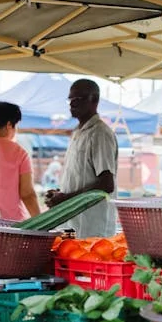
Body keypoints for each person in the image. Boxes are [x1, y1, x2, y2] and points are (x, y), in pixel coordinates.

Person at [44, 79, 118, 237]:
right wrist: (60, 193)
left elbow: (106, 184)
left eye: (78, 98)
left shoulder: (100, 133)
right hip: (74, 224)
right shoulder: (78, 133)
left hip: (93, 227)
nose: (72, 103)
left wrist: (66, 198)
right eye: (70, 99)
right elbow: (81, 178)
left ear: (94, 100)